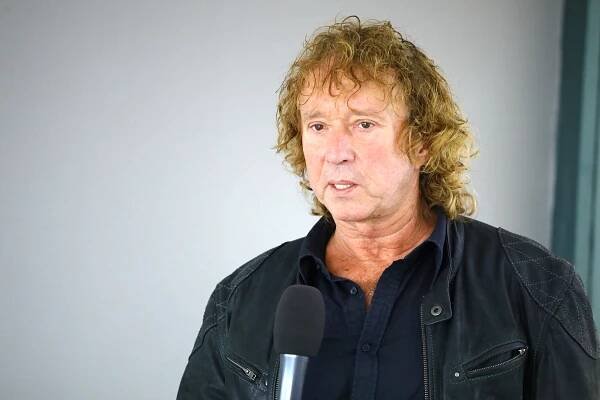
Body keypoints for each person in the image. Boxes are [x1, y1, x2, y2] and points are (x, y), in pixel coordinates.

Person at [176, 16, 599, 400]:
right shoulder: (239, 298)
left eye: (364, 124)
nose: (336, 152)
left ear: (423, 142)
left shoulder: (537, 285)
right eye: (318, 126)